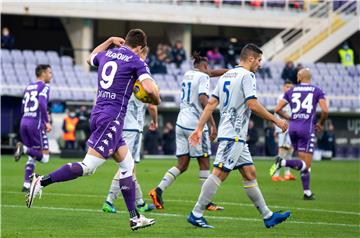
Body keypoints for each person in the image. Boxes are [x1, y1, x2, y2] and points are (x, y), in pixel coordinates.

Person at [26, 29, 161, 231]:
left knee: (127, 165)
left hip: (98, 114)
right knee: (88, 167)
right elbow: (150, 89)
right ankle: (41, 181)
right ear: (140, 47)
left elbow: (90, 59)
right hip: (112, 119)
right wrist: (156, 99)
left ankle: (135, 218)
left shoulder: (108, 54)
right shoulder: (137, 61)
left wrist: (108, 41)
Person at [186, 44, 291, 229]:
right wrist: (276, 120)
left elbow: (210, 104)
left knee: (250, 173)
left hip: (235, 136)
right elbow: (252, 104)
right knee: (219, 173)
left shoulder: (227, 75)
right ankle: (196, 213)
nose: (260, 64)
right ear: (251, 58)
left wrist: (199, 128)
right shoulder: (247, 76)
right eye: (259, 60)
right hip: (233, 135)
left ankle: (268, 216)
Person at [149, 52, 227, 211]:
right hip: (195, 124)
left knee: (182, 164)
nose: (210, 70)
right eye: (208, 67)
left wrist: (230, 72)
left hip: (181, 123)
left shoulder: (189, 74)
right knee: (204, 162)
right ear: (204, 66)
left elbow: (212, 73)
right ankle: (206, 202)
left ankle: (158, 190)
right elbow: (203, 99)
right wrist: (212, 124)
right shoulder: (203, 77)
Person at [102, 46, 158, 214]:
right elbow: (153, 105)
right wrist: (154, 121)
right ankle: (109, 200)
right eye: (145, 55)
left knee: (130, 166)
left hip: (120, 122)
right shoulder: (141, 75)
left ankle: (139, 202)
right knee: (126, 166)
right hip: (132, 127)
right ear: (142, 53)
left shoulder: (122, 71)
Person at [272, 68, 329, 200]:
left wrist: (290, 118)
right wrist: (320, 123)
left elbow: (277, 109)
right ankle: (283, 162)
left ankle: (307, 192)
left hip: (293, 128)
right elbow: (325, 111)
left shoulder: (291, 90)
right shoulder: (316, 90)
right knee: (306, 164)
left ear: (299, 77)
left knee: (302, 163)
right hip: (307, 129)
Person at [14, 65, 52, 193]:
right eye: (49, 73)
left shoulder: (28, 86)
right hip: (35, 123)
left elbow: (22, 106)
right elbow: (41, 102)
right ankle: (23, 148)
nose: (51, 75)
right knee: (45, 158)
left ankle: (26, 185)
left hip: (24, 120)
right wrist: (47, 121)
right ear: (43, 73)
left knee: (32, 156)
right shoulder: (45, 87)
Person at [272, 80, 296, 182]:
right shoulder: (283, 97)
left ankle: (287, 173)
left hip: (290, 127)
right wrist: (276, 128)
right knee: (282, 151)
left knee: (290, 151)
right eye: (287, 86)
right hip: (284, 127)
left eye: (291, 87)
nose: (289, 89)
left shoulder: (293, 98)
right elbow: (278, 112)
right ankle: (275, 173)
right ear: (283, 87)